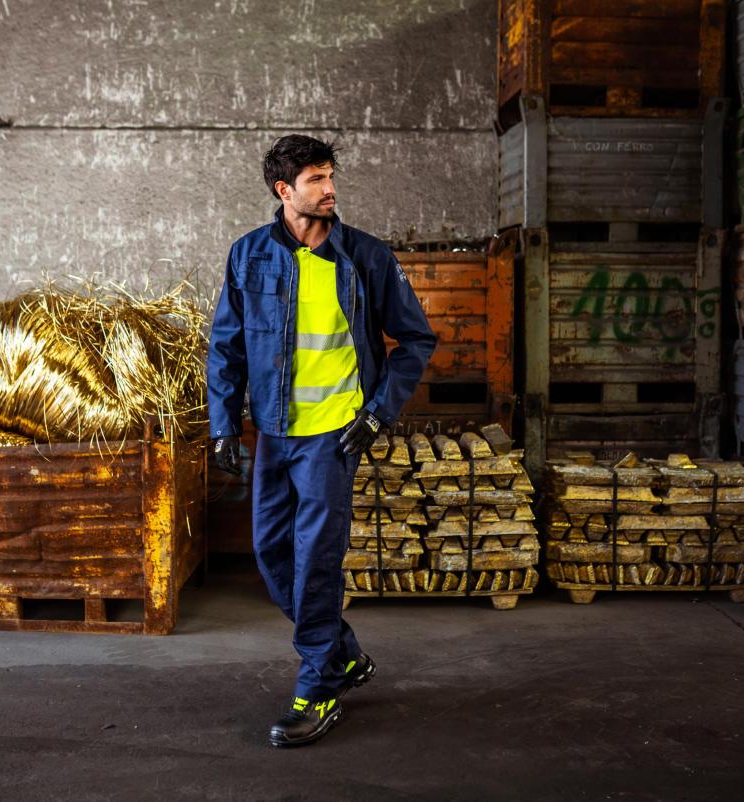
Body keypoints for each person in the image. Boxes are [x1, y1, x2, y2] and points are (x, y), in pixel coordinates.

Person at [207, 134, 437, 747]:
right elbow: (226, 347)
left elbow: (416, 340)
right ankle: (343, 656)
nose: (330, 188)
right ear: (285, 190)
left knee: (314, 563)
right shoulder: (248, 255)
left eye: (330, 176)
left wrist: (378, 413)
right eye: (316, 179)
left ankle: (318, 688)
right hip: (274, 431)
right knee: (271, 553)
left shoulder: (366, 256)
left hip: (333, 438)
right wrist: (224, 423)